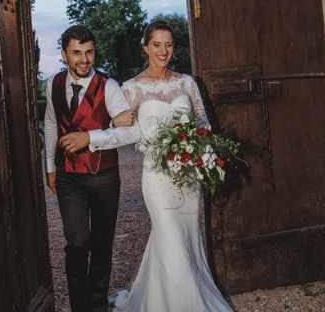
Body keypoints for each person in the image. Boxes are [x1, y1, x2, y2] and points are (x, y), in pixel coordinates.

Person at [111, 20, 234, 311]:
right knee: (168, 234)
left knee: (184, 239)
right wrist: (99, 132)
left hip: (188, 176)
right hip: (156, 177)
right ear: (145, 47)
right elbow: (124, 130)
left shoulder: (186, 82)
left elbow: (203, 125)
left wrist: (202, 156)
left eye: (168, 45)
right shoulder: (131, 88)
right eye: (157, 45)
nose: (163, 51)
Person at [44, 25, 139, 312]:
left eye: (89, 52)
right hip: (67, 176)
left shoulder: (109, 86)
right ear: (64, 55)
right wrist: (50, 166)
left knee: (101, 244)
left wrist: (91, 137)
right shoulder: (53, 84)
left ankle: (96, 305)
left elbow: (131, 132)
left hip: (104, 177)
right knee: (77, 242)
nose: (84, 59)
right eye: (77, 53)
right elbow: (51, 124)